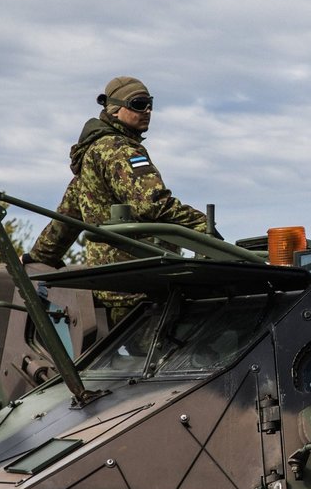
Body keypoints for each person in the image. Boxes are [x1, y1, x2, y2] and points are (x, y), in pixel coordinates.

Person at [25, 76, 212, 323]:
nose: (147, 111)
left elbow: (68, 216)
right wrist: (206, 228)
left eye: (150, 104)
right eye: (138, 104)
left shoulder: (94, 151)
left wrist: (40, 256)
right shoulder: (119, 150)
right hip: (142, 283)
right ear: (115, 108)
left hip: (114, 283)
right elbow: (152, 205)